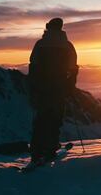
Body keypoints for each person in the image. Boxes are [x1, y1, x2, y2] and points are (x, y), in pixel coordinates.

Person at [28, 18, 78, 164]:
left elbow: (33, 65)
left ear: (48, 28)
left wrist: (33, 86)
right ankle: (50, 149)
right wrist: (70, 87)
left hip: (43, 88)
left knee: (41, 118)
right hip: (59, 88)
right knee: (55, 119)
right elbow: (73, 68)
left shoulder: (40, 44)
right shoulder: (68, 46)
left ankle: (36, 150)